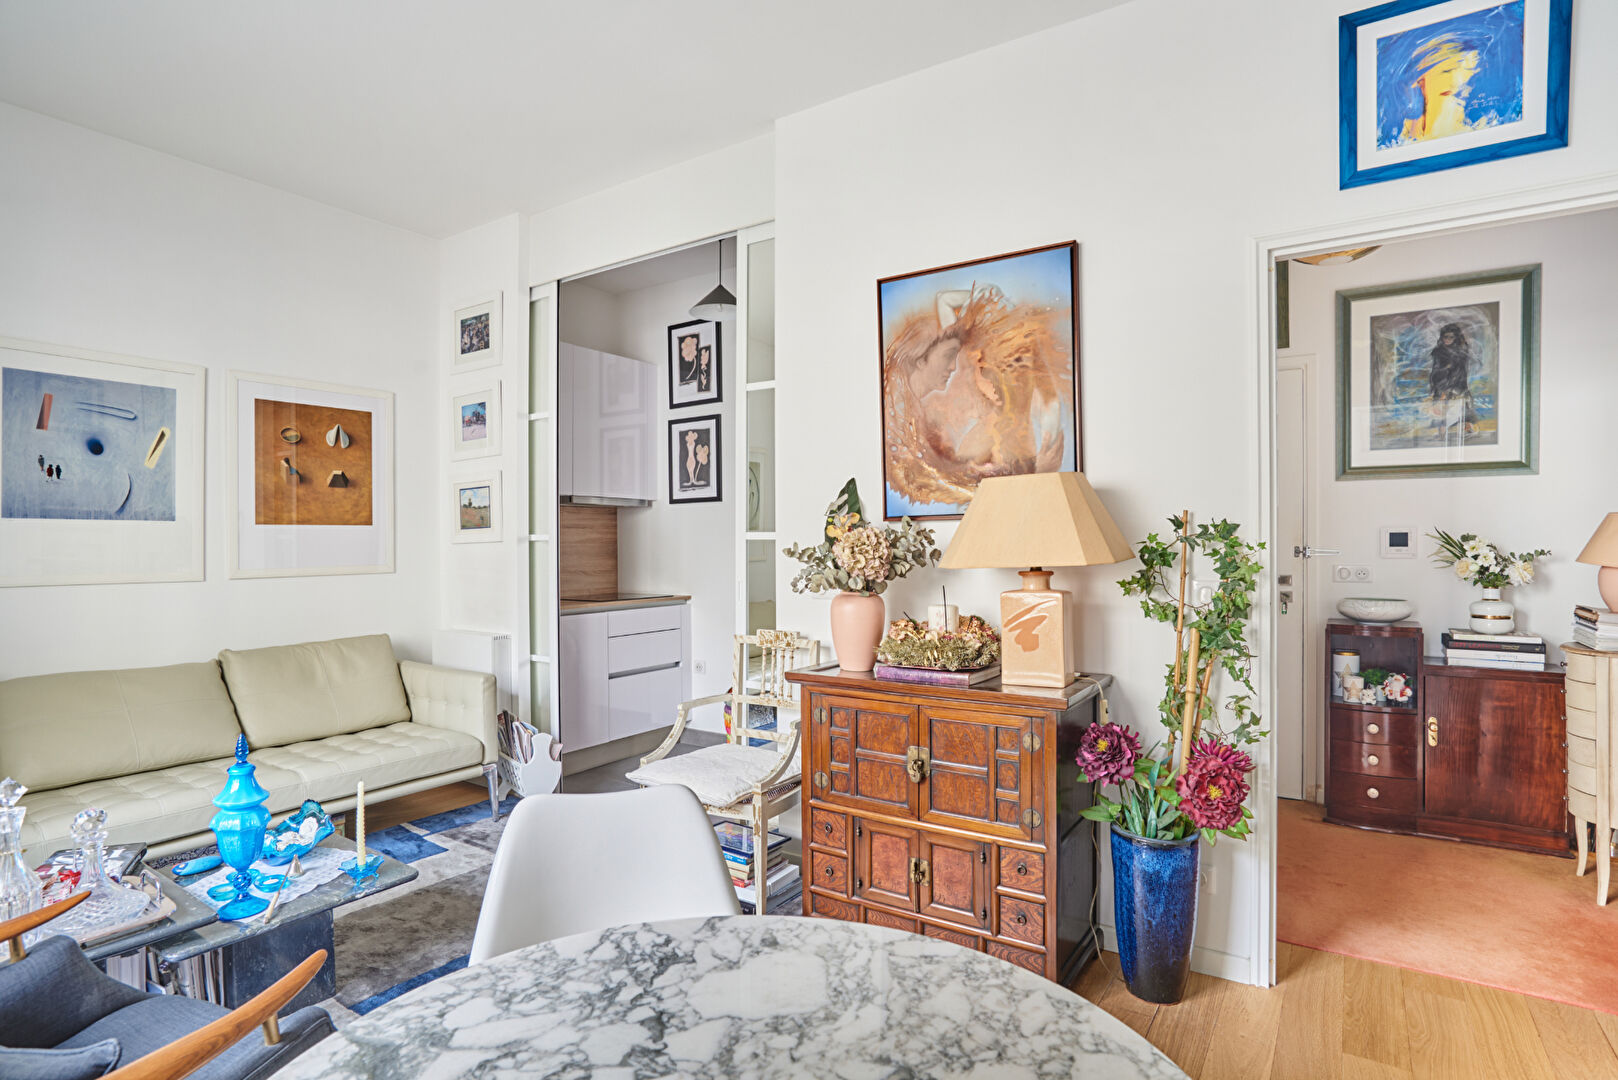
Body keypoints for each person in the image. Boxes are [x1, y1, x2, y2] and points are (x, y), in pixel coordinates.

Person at [1427, 322, 1474, 434]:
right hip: (1441, 382)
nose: (1447, 339)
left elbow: (1461, 371)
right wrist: (1439, 386)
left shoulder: (1462, 351)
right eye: (1445, 337)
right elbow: (1435, 370)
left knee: (1462, 406)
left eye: (1451, 337)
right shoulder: (1438, 351)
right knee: (1442, 410)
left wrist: (1451, 384)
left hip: (1458, 384)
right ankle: (1442, 431)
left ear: (1456, 337)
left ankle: (1467, 427)